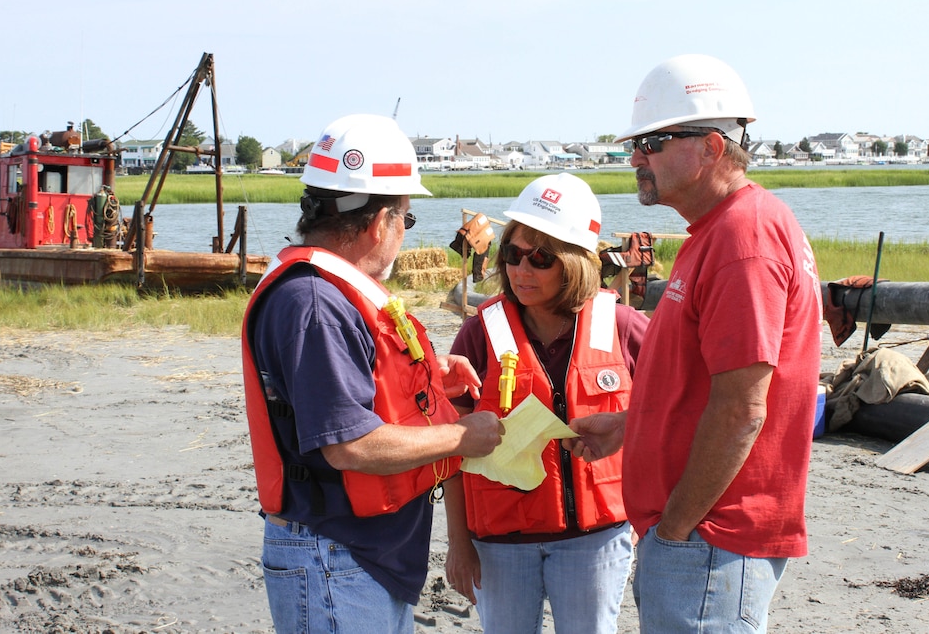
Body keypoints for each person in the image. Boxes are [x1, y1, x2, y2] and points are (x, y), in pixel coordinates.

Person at [567, 54, 823, 632]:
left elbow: (741, 410)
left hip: (711, 537)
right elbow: (707, 383)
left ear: (710, 147)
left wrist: (677, 529)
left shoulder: (743, 239)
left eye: (652, 142)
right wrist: (631, 426)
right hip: (705, 537)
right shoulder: (720, 231)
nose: (636, 157)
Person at [241, 113, 505, 633]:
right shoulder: (315, 302)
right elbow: (350, 447)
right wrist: (460, 436)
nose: (403, 236)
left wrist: (429, 375)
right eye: (406, 221)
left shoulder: (327, 290)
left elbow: (354, 387)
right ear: (379, 221)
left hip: (357, 555)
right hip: (335, 555)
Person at [444, 172, 649, 634]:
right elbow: (452, 448)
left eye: (539, 258)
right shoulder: (480, 334)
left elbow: (673, 411)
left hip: (596, 543)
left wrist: (647, 513)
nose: (521, 270)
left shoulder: (623, 326)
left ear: (575, 263)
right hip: (500, 543)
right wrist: (458, 542)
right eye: (513, 255)